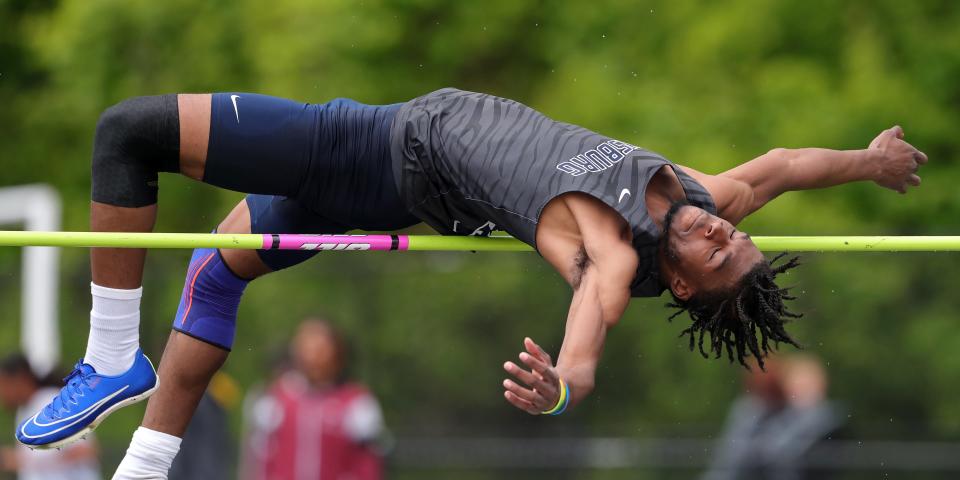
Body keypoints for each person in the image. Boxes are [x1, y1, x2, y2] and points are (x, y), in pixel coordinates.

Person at [12, 89, 925, 478]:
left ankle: (106, 358)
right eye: (737, 236)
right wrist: (868, 161)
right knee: (213, 274)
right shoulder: (702, 198)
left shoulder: (609, 252)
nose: (726, 231)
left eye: (720, 255)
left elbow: (588, 334)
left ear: (679, 285)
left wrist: (563, 390)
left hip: (367, 152)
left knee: (127, 133)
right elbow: (785, 165)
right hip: (394, 186)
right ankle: (145, 464)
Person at [241, 318, 386, 480]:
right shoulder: (274, 399)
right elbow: (258, 460)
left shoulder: (356, 403)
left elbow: (368, 463)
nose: (311, 356)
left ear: (337, 353)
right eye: (305, 347)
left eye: (320, 349)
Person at [702, 355, 841, 480]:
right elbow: (731, 452)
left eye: (806, 385)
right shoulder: (752, 410)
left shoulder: (826, 416)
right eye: (797, 384)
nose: (800, 391)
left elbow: (780, 449)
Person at [0, 354, 101, 480]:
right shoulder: (23, 411)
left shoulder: (51, 402)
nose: (2, 392)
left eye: (3, 384)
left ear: (21, 379)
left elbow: (84, 451)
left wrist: (21, 461)